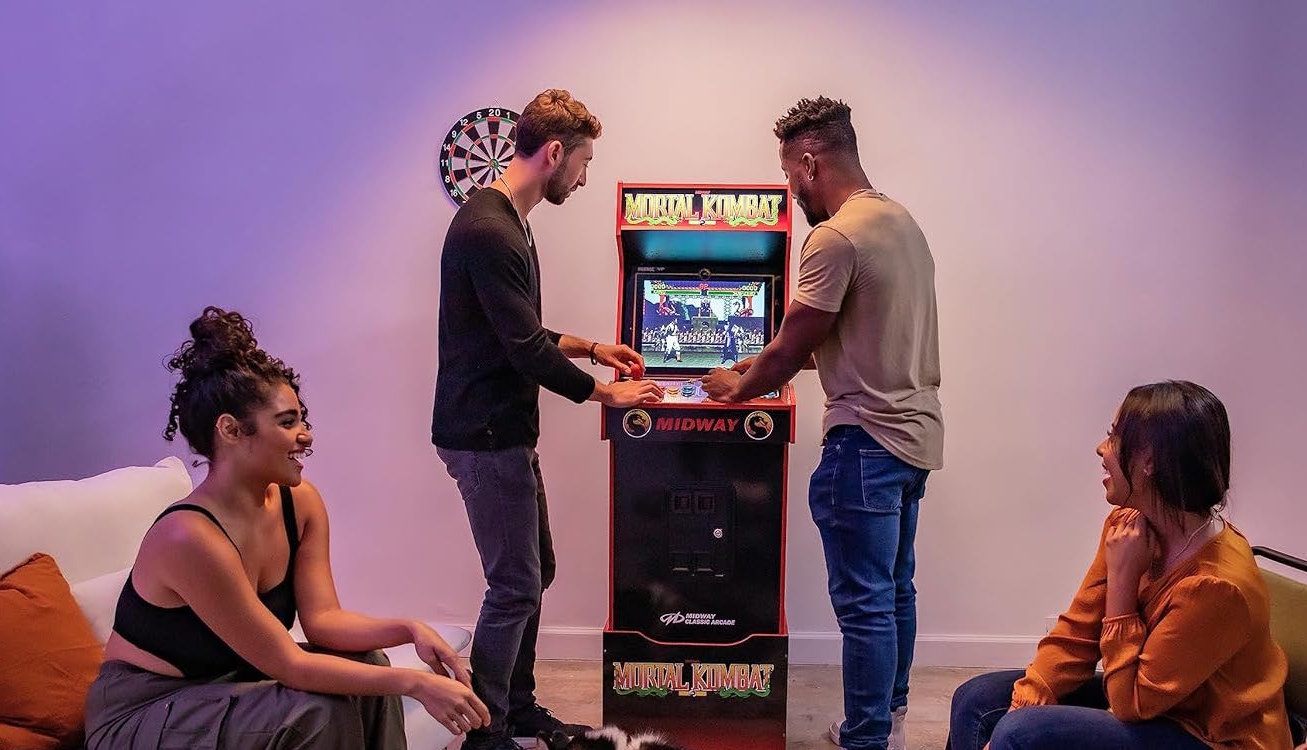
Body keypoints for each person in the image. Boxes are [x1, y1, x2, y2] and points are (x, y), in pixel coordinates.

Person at [85, 307, 487, 750]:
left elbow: (323, 622)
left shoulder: (300, 502)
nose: (307, 434)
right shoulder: (189, 537)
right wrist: (416, 684)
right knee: (320, 710)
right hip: (144, 712)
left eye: (303, 419)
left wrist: (410, 629)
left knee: (368, 664)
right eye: (287, 422)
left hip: (230, 684)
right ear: (232, 430)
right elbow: (290, 664)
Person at [701, 96, 942, 750]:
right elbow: (839, 337)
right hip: (913, 439)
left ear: (810, 162)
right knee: (893, 592)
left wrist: (733, 388)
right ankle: (886, 720)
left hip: (864, 440)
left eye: (789, 175)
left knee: (865, 606)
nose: (791, 189)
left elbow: (788, 346)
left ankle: (864, 739)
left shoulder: (834, 236)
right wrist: (762, 363)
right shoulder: (901, 223)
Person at [432, 88, 663, 750]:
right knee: (513, 586)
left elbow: (522, 330)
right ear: (555, 153)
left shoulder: (509, 220)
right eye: (584, 162)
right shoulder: (488, 228)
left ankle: (520, 707)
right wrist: (605, 395)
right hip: (483, 435)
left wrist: (593, 347)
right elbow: (525, 349)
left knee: (538, 571)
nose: (586, 177)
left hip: (503, 432)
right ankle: (487, 729)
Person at [945, 381, 1293, 750]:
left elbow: (1131, 705)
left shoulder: (1216, 586)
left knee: (1022, 736)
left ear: (1149, 461)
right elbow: (1077, 635)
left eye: (1113, 437)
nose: (1101, 449)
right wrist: (1025, 699)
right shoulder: (1127, 527)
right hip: (1160, 706)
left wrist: (1124, 584)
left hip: (1211, 736)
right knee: (976, 701)